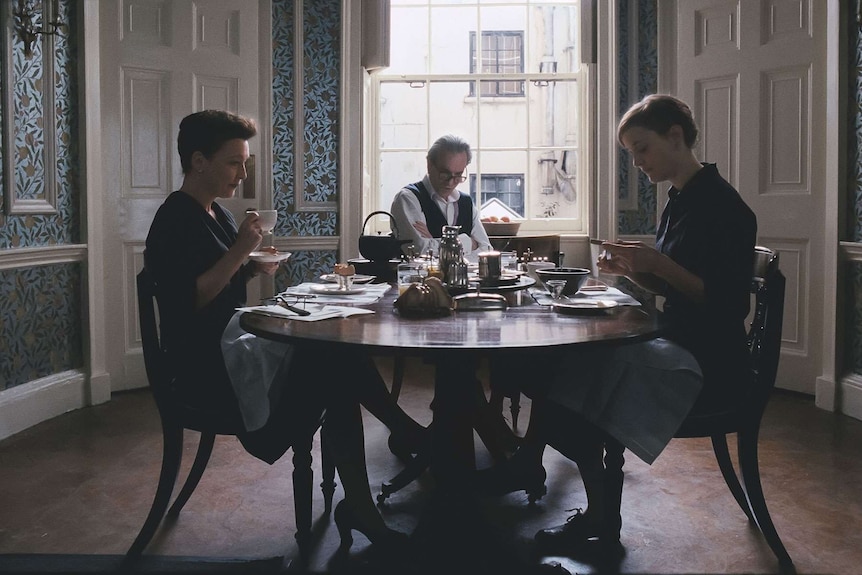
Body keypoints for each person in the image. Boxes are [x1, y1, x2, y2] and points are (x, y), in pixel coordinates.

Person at [480, 94, 757, 561]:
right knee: (556, 363)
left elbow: (727, 306)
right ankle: (570, 491)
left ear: (675, 136)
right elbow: (676, 282)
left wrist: (658, 265)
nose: (637, 161)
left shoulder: (725, 207)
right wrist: (633, 270)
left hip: (708, 361)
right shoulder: (680, 199)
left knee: (564, 371)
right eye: (630, 152)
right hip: (678, 338)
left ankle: (573, 495)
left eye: (641, 148)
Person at [144, 109, 424, 553]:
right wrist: (241, 251)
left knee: (337, 353)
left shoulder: (214, 214)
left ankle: (379, 476)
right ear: (199, 161)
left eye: (245, 162)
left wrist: (252, 266)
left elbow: (220, 285)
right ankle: (403, 444)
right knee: (335, 362)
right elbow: (189, 301)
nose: (243, 172)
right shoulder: (174, 218)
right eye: (235, 162)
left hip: (229, 347)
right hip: (204, 368)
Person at [390, 134, 492, 261]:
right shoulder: (408, 198)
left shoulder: (466, 203)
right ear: (429, 165)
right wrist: (469, 243)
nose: (450, 182)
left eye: (458, 175)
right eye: (445, 174)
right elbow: (418, 249)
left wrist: (434, 241)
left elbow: (486, 251)